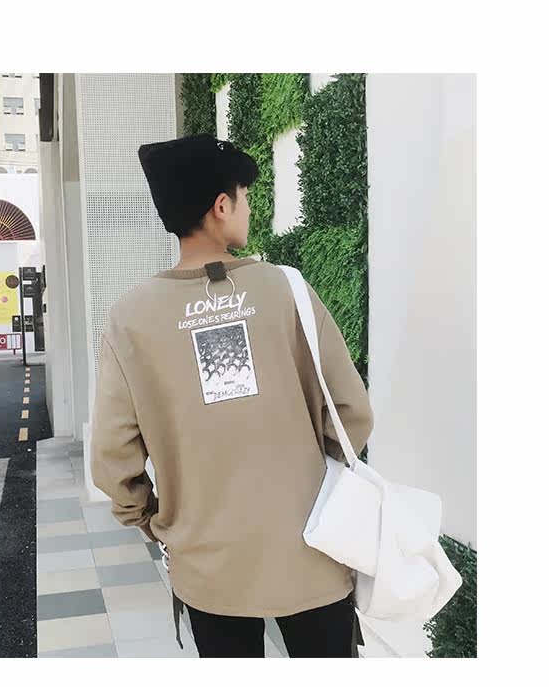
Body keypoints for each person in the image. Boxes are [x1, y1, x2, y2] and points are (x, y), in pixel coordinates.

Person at [90, 133, 374, 657]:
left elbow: (112, 457)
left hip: (206, 560)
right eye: (245, 195)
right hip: (313, 545)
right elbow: (351, 414)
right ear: (221, 207)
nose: (249, 206)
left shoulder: (129, 318)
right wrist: (312, 476)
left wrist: (150, 518)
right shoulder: (286, 290)